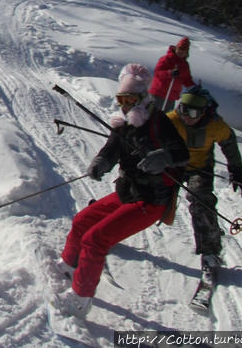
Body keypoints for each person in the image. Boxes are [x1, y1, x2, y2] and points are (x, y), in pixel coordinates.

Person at [54, 63, 189, 317]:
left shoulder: (158, 122)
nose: (124, 104)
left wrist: (164, 157)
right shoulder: (124, 124)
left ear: (142, 98)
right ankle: (69, 265)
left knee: (96, 239)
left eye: (130, 99)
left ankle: (81, 298)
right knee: (83, 221)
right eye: (121, 99)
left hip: (151, 200)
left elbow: (182, 154)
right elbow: (111, 149)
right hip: (127, 192)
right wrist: (101, 162)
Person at [167, 85, 242, 273]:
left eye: (192, 112)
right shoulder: (172, 119)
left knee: (200, 199)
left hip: (199, 169)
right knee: (152, 196)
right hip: (173, 165)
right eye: (183, 109)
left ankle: (210, 250)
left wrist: (236, 170)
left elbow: (229, 144)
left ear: (203, 112)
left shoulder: (215, 125)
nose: (186, 116)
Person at [149, 37, 195, 112]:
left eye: (184, 50)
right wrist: (169, 73)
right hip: (158, 94)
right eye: (179, 48)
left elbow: (187, 80)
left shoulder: (185, 65)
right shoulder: (166, 59)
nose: (181, 51)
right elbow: (157, 73)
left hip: (171, 97)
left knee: (165, 119)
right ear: (176, 48)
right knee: (152, 116)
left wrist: (194, 87)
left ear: (187, 53)